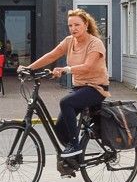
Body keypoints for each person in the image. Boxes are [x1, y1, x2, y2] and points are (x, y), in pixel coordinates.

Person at [29, 9, 109, 167]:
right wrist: (29, 68)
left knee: (66, 102)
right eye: (70, 25)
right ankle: (72, 159)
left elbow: (87, 67)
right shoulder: (69, 41)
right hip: (79, 87)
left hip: (96, 88)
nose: (73, 28)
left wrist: (66, 70)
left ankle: (75, 145)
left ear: (86, 25)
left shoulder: (95, 43)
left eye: (77, 25)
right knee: (59, 128)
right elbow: (52, 55)